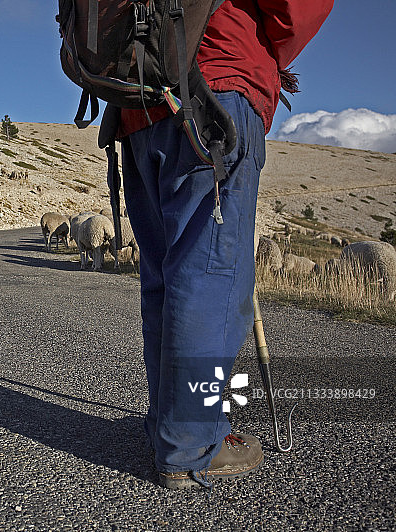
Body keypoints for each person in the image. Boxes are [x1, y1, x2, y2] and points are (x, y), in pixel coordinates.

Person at [117, 0, 333, 489]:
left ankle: (168, 423)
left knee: (165, 281)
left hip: (137, 105)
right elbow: (297, 11)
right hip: (214, 89)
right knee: (208, 282)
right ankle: (190, 446)